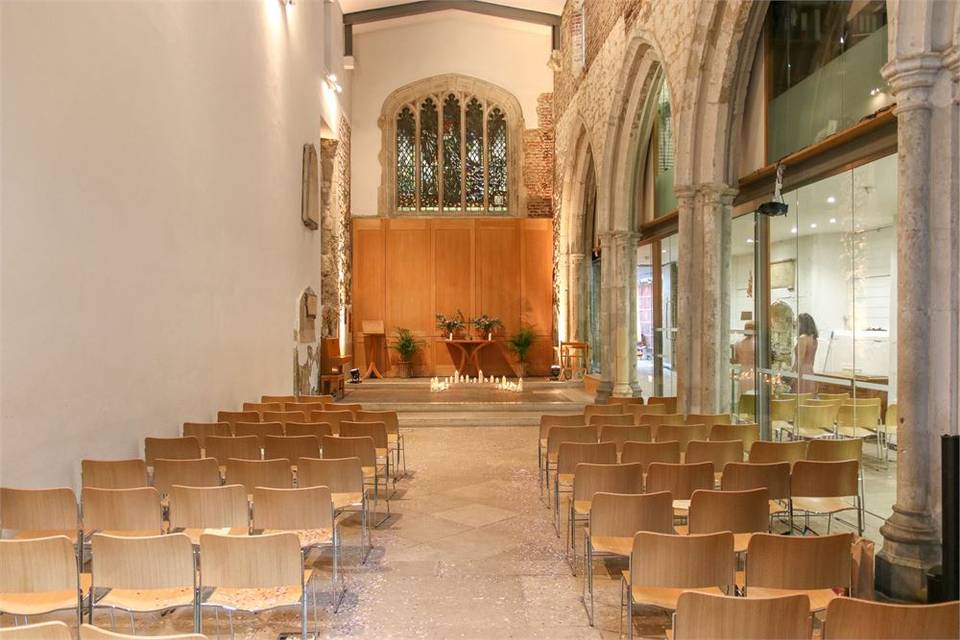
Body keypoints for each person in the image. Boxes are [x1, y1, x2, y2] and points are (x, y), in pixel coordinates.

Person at [795, 313, 819, 394]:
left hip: (802, 370)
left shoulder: (803, 338)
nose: (795, 325)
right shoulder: (814, 339)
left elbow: (799, 360)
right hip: (810, 371)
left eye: (797, 322)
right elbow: (812, 360)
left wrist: (790, 376)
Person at [732, 321, 756, 392]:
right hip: (746, 371)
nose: (748, 329)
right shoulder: (739, 342)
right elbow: (737, 359)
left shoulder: (739, 342)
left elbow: (736, 359)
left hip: (751, 370)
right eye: (747, 328)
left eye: (750, 328)